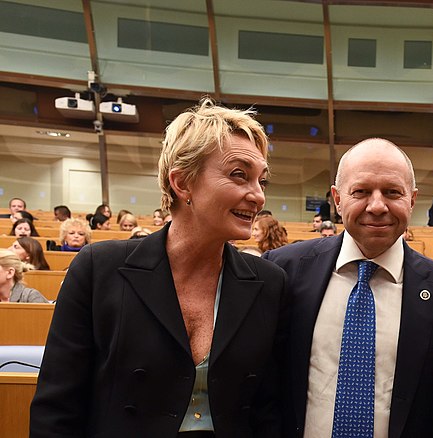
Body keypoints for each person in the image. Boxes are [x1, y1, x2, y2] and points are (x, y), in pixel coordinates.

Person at [31, 98, 288, 438]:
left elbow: (268, 412)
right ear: (182, 183)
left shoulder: (270, 283)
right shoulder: (99, 269)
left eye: (261, 181)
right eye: (239, 175)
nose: (257, 196)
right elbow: (56, 410)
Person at [263, 138, 433, 437]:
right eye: (360, 191)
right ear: (336, 198)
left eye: (392, 192)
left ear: (411, 200)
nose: (376, 206)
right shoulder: (283, 272)